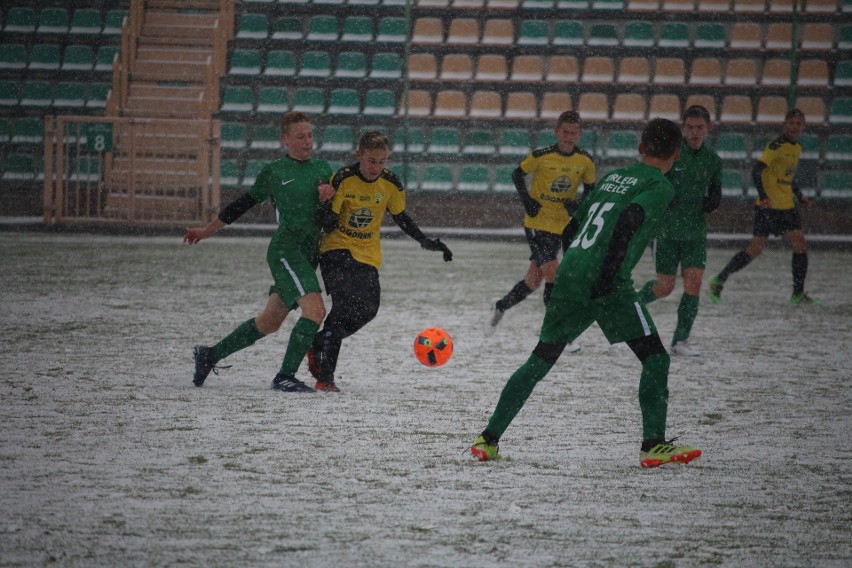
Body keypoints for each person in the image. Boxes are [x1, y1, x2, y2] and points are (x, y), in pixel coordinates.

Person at [470, 118, 702, 469]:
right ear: (677, 153)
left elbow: (573, 224)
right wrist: (607, 276)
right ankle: (653, 444)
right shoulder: (659, 186)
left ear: (640, 148)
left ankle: (487, 440)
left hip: (572, 271)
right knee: (656, 357)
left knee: (540, 359)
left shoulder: (612, 176)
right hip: (608, 280)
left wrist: (576, 263)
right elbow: (629, 221)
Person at [184, 112, 334, 393]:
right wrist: (207, 231)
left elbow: (332, 212)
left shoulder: (324, 169)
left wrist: (331, 193)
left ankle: (209, 355)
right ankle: (285, 377)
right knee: (315, 311)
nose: (307, 142)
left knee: (269, 322)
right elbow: (242, 204)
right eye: (300, 136)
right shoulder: (274, 172)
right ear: (285, 139)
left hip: (308, 254)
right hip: (286, 251)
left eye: (310, 135)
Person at [307, 131, 453, 392]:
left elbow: (402, 218)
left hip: (368, 254)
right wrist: (325, 211)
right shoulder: (343, 179)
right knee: (341, 309)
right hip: (336, 250)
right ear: (359, 155)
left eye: (382, 161)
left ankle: (316, 343)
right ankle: (325, 378)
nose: (376, 167)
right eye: (371, 160)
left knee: (368, 310)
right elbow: (327, 223)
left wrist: (426, 241)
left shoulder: (391, 184)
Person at [485, 111, 597, 353]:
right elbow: (517, 173)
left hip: (563, 226)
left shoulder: (585, 161)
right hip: (537, 225)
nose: (568, 137)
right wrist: (527, 201)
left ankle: (501, 305)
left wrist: (578, 204)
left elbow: (591, 190)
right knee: (554, 274)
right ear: (556, 132)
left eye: (573, 133)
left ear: (580, 135)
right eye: (564, 132)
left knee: (533, 281)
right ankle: (560, 335)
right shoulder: (541, 156)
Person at [709, 108, 821, 305]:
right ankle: (719, 279)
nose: (795, 127)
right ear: (784, 124)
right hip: (769, 207)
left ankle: (798, 294)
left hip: (787, 205)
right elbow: (757, 170)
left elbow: (787, 176)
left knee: (799, 243)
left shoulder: (797, 148)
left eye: (799, 124)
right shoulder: (775, 145)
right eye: (791, 123)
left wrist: (800, 195)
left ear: (803, 127)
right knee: (755, 248)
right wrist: (764, 196)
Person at [637, 106, 722, 357]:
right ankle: (631, 305)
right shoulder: (672, 155)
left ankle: (680, 340)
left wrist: (714, 198)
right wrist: (666, 197)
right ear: (683, 128)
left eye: (700, 128)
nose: (695, 133)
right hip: (667, 232)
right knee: (665, 287)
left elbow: (716, 189)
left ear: (708, 129)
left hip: (695, 233)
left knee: (694, 283)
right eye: (691, 127)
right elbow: (653, 179)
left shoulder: (714, 160)